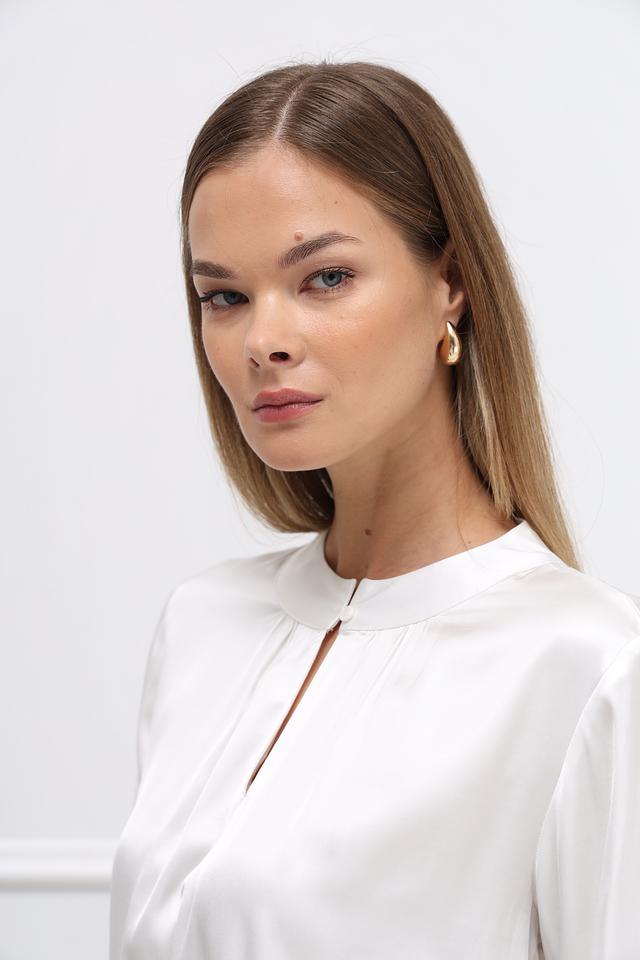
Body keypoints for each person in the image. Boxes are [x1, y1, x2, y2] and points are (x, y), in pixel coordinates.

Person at [109, 60, 640, 959]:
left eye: (324, 278)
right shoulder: (201, 626)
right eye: (224, 296)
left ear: (451, 283)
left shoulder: (588, 667)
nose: (263, 341)